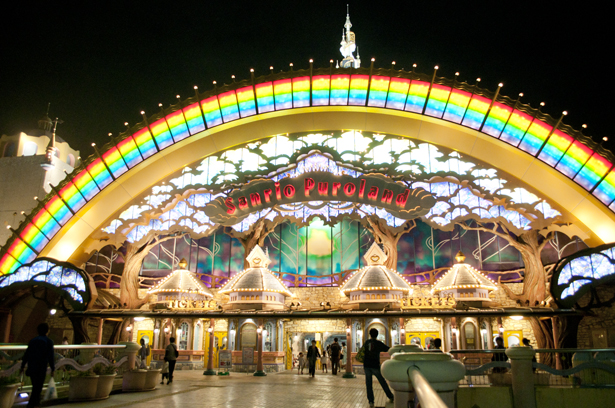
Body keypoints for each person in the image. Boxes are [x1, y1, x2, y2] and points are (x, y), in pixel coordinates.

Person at [20, 323, 55, 408]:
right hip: (41, 366)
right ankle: (33, 404)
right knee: (38, 386)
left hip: (32, 366)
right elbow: (51, 356)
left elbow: (27, 354)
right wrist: (53, 368)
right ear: (47, 331)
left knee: (35, 385)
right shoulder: (48, 341)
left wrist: (23, 366)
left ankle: (34, 403)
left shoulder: (33, 340)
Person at [363, 328, 394, 408]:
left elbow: (362, 352)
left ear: (370, 334)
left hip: (367, 365)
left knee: (368, 384)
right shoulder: (378, 343)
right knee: (382, 381)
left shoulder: (366, 342)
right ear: (377, 335)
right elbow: (388, 349)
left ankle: (371, 401)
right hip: (375, 365)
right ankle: (390, 396)